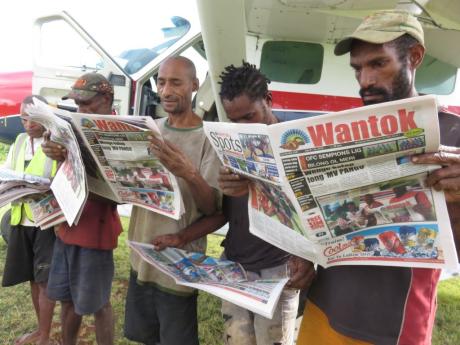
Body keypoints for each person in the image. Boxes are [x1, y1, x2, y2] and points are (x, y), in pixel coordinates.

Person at [297, 10, 460, 345]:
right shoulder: (340, 132)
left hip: (391, 326)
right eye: (358, 68)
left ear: (414, 57)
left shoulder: (452, 135)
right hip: (324, 303)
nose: (365, 80)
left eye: (377, 64)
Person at [215, 62, 315, 345]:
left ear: (268, 101)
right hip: (236, 262)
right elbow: (225, 210)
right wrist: (229, 186)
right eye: (235, 121)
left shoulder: (294, 142)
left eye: (250, 116)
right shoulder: (229, 141)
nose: (243, 127)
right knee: (236, 339)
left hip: (279, 268)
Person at [124, 56, 221, 345]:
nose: (166, 91)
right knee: (144, 337)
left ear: (194, 85)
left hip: (178, 266)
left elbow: (213, 209)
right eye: (161, 82)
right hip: (141, 256)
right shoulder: (148, 130)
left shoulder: (208, 139)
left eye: (176, 83)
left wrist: (189, 173)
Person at [41, 73, 123, 345]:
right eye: (78, 105)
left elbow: (121, 195)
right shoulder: (73, 126)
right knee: (66, 300)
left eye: (87, 104)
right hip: (67, 227)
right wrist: (54, 152)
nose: (81, 111)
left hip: (96, 233)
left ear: (107, 100)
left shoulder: (119, 132)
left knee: (98, 303)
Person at [1, 95, 58, 345]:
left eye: (33, 118)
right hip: (21, 219)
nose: (27, 123)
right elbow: (8, 169)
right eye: (24, 117)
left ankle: (45, 336)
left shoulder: (56, 143)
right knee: (33, 279)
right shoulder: (20, 141)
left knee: (45, 280)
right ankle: (40, 329)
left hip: (45, 221)